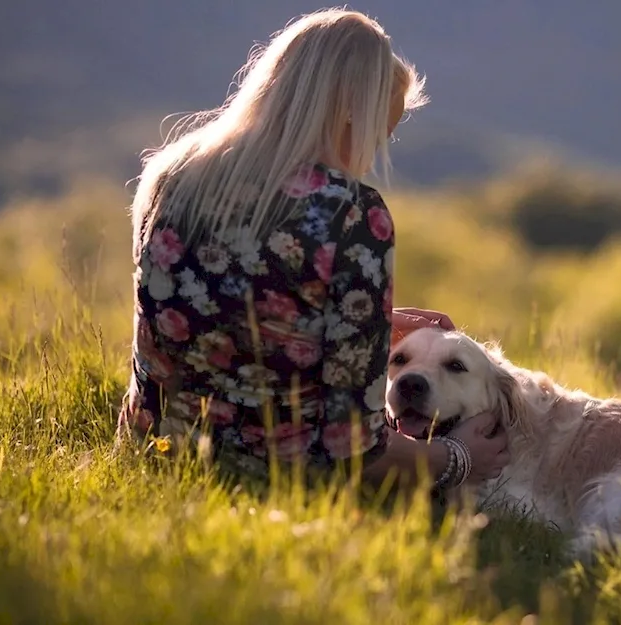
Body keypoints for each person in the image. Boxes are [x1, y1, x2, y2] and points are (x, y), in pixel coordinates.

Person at [117, 7, 509, 492]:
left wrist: (373, 328)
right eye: (376, 134)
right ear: (348, 114)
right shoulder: (352, 213)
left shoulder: (170, 177)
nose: (368, 158)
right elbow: (356, 450)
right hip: (278, 479)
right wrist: (458, 457)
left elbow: (215, 315)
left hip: (155, 455)